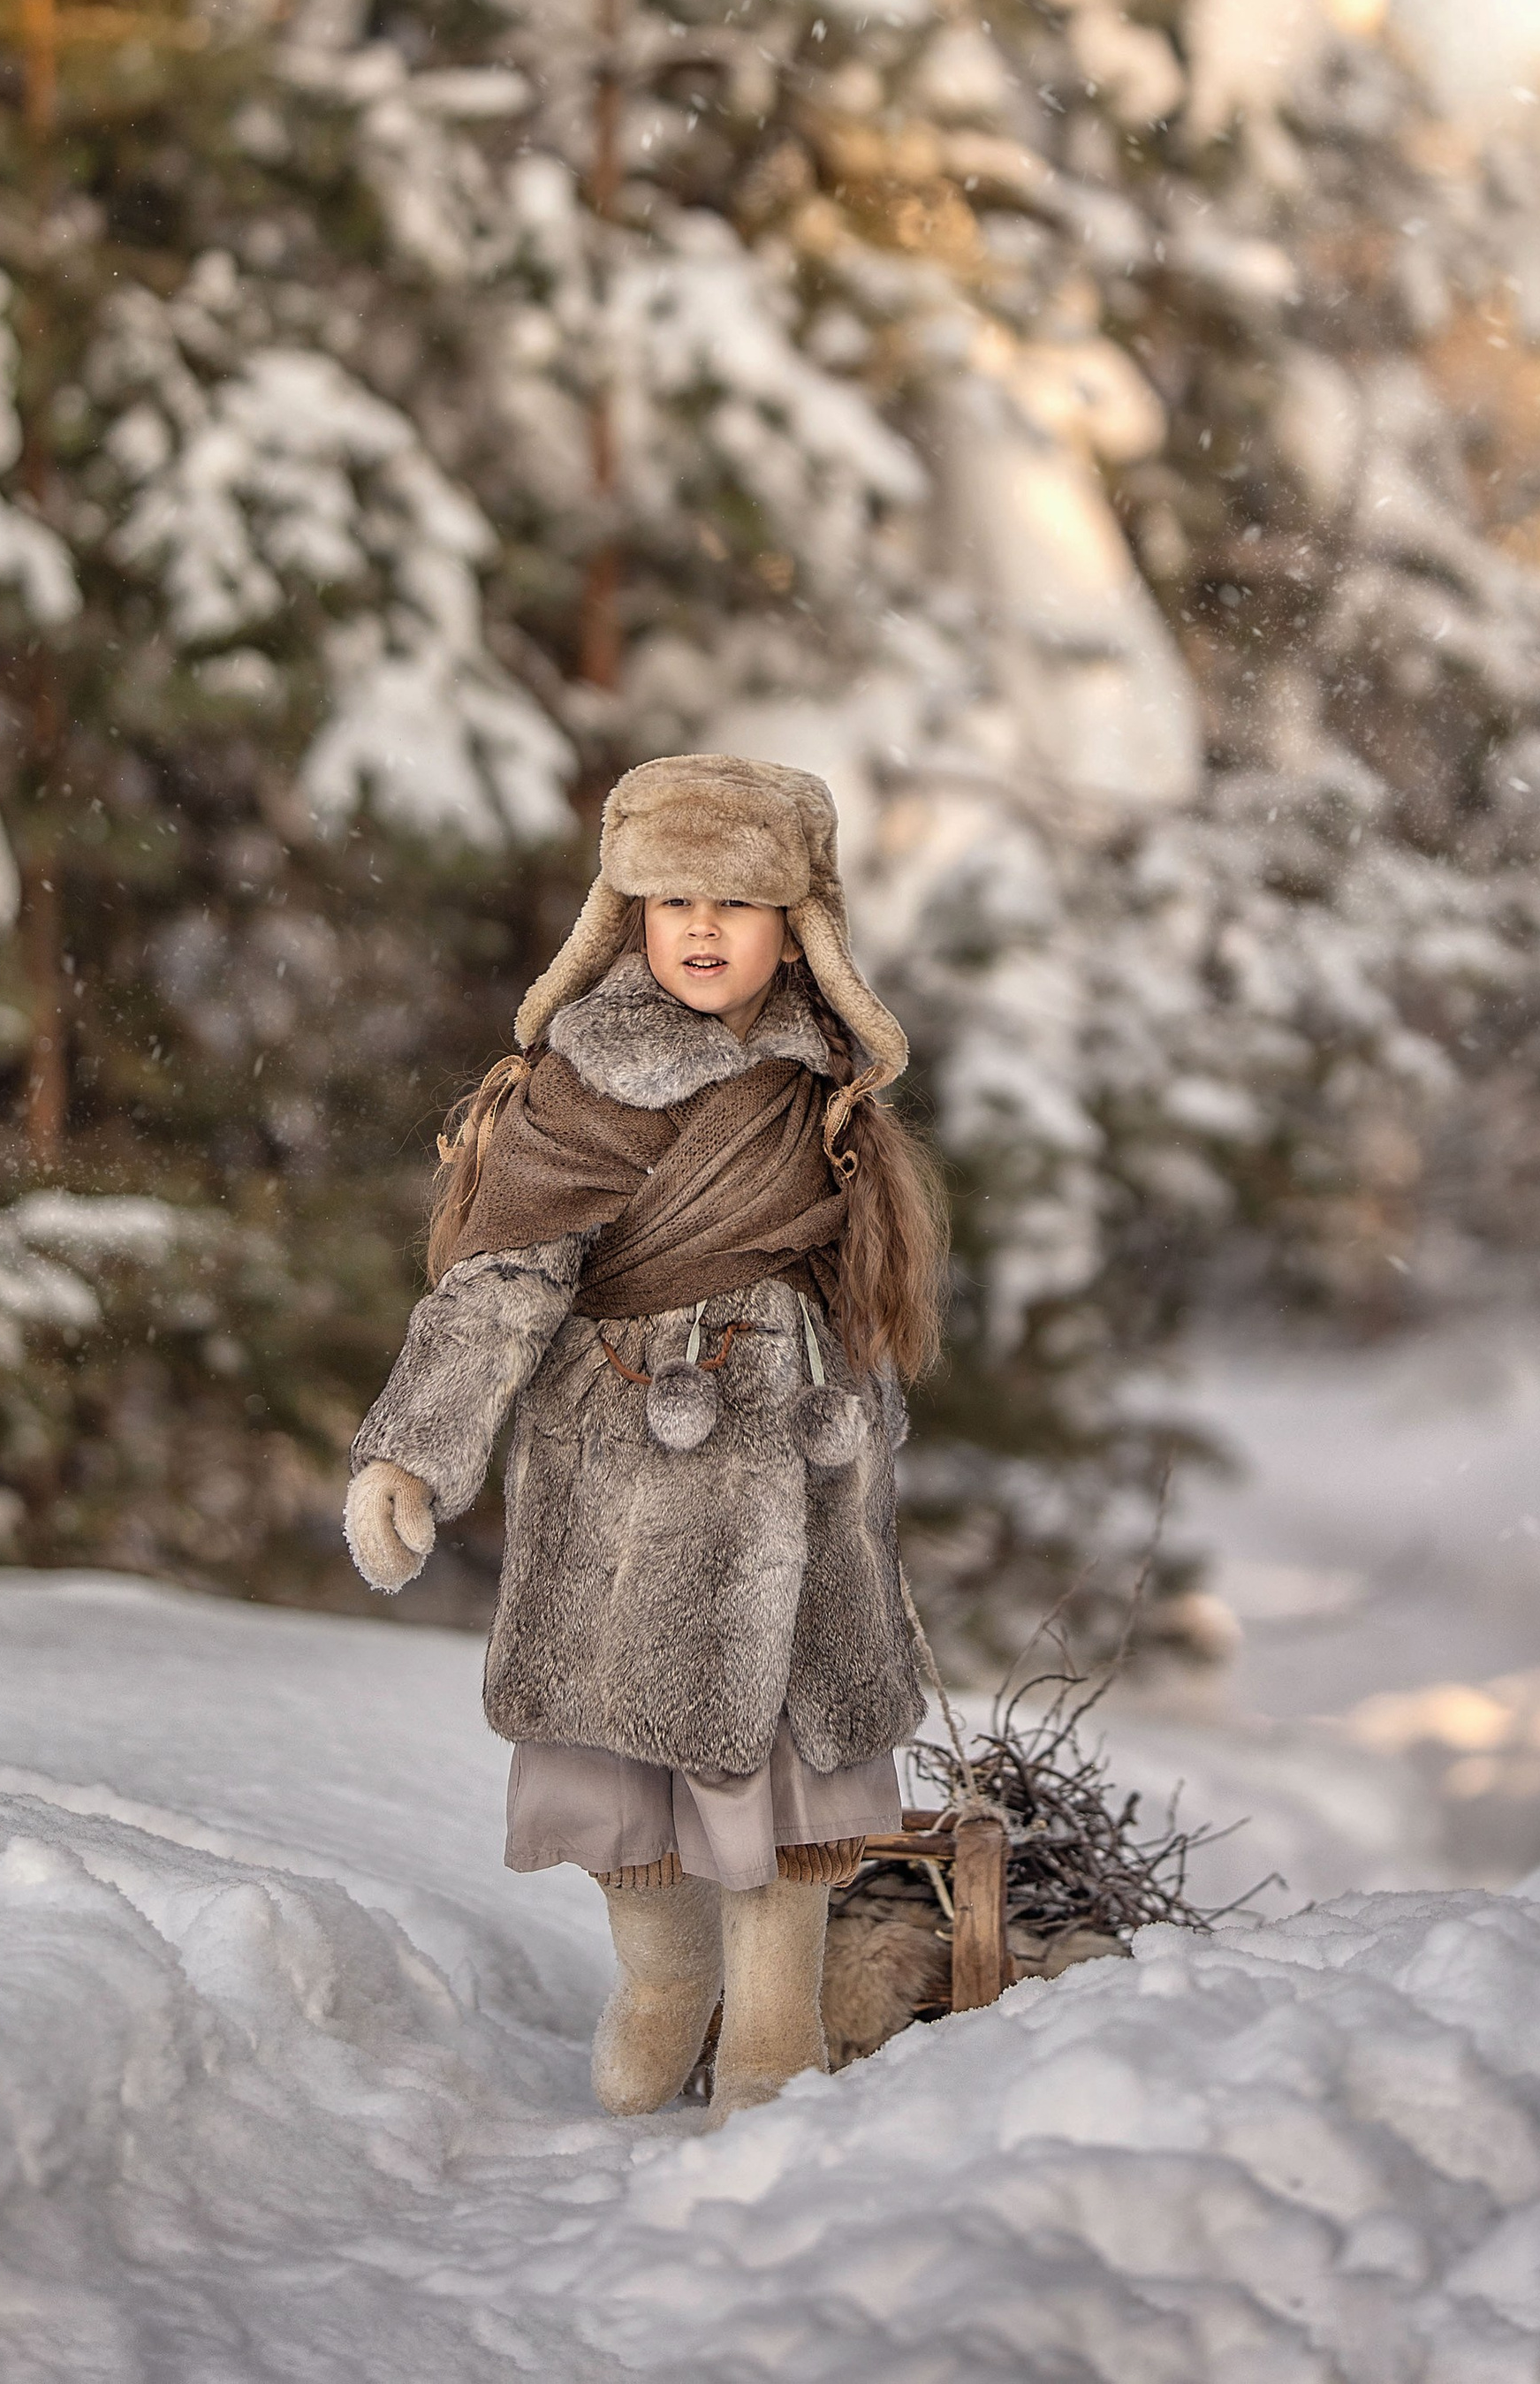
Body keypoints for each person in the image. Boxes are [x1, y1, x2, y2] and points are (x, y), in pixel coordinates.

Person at [344, 753, 949, 2124]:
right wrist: (415, 1450)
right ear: (619, 914)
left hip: (795, 1469)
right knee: (628, 1744)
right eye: (669, 895)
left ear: (798, 924)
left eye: (736, 901)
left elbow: (860, 1289)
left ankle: (777, 2028)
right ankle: (666, 1981)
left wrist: (866, 1433)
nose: (700, 926)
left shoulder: (827, 1089)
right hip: (625, 1459)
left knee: (789, 1763)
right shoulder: (575, 1086)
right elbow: (498, 1283)